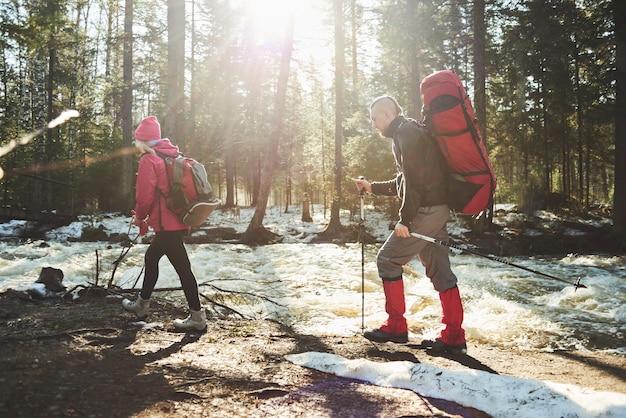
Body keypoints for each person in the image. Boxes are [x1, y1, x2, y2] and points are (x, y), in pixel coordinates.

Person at [354, 95, 467, 354]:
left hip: (426, 211)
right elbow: (405, 181)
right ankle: (453, 337)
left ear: (386, 114)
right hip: (437, 209)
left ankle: (396, 326)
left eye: (374, 119)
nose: (374, 125)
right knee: (441, 271)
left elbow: (413, 183)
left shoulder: (406, 135)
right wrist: (372, 187)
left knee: (387, 260)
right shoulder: (409, 132)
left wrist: (405, 220)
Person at [121, 116, 206, 331]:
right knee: (151, 257)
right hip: (178, 219)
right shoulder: (171, 155)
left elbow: (145, 197)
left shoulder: (149, 160)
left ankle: (197, 317)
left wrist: (139, 217)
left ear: (142, 140)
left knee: (183, 269)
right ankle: (142, 305)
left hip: (166, 225)